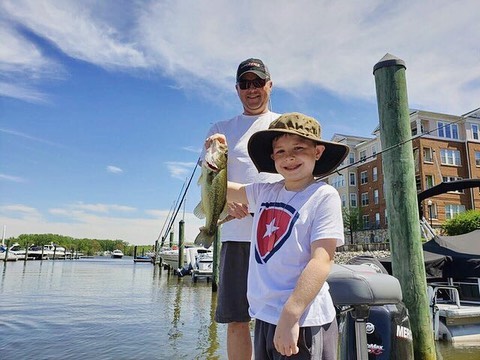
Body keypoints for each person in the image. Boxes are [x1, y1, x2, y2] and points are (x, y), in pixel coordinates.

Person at [218, 112, 349, 359]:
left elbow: (322, 261)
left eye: (299, 148)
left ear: (318, 152)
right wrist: (215, 156)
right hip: (266, 316)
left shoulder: (324, 195)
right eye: (280, 151)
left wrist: (291, 315)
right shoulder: (265, 191)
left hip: (302, 319)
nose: (289, 157)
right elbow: (222, 189)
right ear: (272, 157)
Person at [202, 58, 281, 360]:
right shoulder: (221, 129)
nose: (252, 89)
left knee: (276, 316)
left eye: (258, 82)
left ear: (269, 85)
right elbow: (212, 182)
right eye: (245, 84)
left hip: (277, 237)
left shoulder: (282, 123)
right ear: (237, 89)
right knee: (237, 319)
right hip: (236, 237)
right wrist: (223, 206)